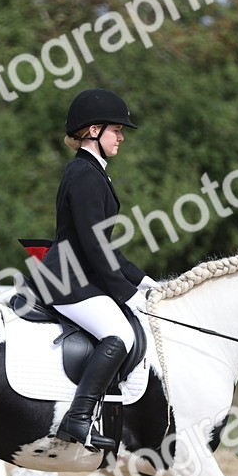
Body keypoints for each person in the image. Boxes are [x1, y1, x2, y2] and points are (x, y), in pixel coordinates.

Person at [37, 88, 158, 451]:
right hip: (68, 281)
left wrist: (142, 279)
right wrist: (127, 295)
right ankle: (78, 418)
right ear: (93, 131)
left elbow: (104, 246)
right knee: (120, 333)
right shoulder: (86, 175)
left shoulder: (92, 172)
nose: (121, 136)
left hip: (79, 276)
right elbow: (94, 248)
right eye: (116, 129)